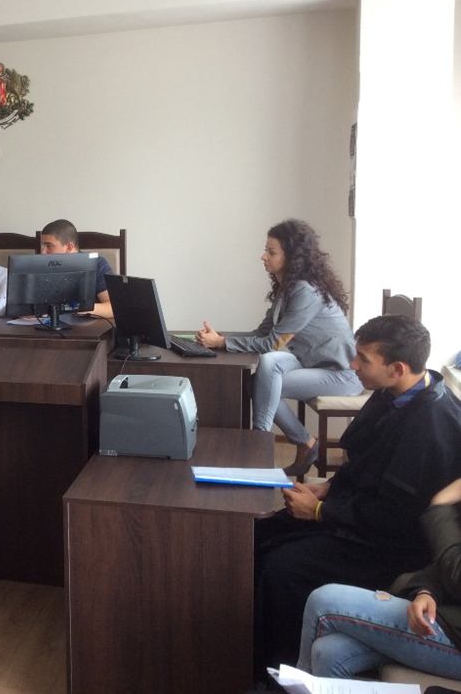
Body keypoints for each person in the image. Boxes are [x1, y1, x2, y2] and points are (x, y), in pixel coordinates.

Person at [253, 314, 461, 675]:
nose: (352, 365)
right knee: (260, 533)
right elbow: (364, 459)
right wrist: (329, 488)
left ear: (397, 368)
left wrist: (320, 511)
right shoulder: (394, 393)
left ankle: (276, 670)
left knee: (283, 567)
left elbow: (393, 518)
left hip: (391, 545)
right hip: (361, 514)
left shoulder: (430, 426)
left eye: (363, 359)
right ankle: (243, 641)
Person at [197, 219, 362, 476]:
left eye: (271, 252)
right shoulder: (287, 288)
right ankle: (304, 442)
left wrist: (221, 343)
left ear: (292, 257)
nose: (263, 256)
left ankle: (258, 445)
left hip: (341, 374)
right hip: (312, 363)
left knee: (261, 383)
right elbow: (262, 334)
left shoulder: (306, 291)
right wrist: (221, 339)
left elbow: (272, 343)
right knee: (268, 365)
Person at [298, 476, 461, 681]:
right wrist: (427, 591)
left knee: (323, 600)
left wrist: (439, 506)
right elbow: (446, 562)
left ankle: (294, 685)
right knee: (328, 653)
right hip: (449, 615)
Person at [39, 219, 114, 318]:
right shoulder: (40, 266)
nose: (43, 252)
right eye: (43, 246)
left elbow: (112, 308)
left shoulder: (97, 264)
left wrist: (78, 308)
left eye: (49, 246)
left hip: (87, 324)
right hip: (47, 323)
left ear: (69, 247)